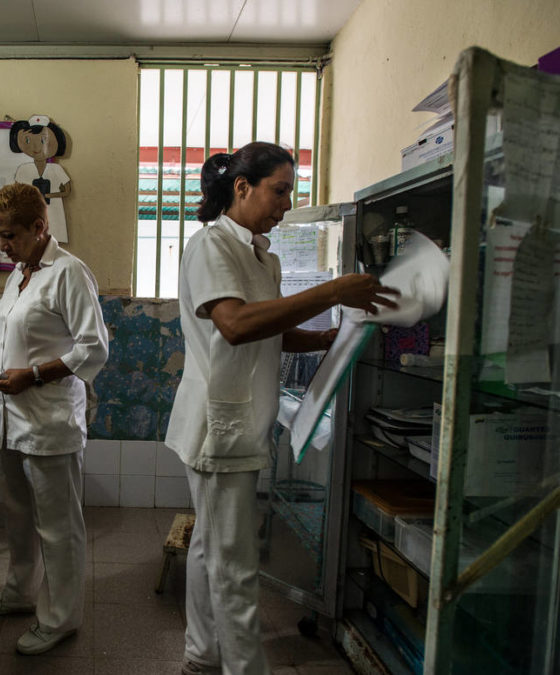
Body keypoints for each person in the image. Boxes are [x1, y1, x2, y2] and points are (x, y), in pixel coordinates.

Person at [164, 142, 399, 675]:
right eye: (280, 190)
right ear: (241, 187)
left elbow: (265, 331)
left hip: (237, 422)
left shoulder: (260, 255)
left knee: (209, 548)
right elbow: (236, 323)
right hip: (219, 426)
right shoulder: (210, 245)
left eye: (290, 191)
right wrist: (334, 290)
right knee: (236, 568)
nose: (286, 204)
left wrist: (325, 340)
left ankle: (201, 655)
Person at [0, 183, 108, 655]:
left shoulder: (69, 273)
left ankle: (60, 618)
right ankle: (21, 592)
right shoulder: (17, 275)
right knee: (18, 515)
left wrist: (36, 375)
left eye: (10, 235)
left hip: (49, 419)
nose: (2, 245)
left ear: (40, 227)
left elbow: (94, 347)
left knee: (58, 525)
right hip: (9, 418)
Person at [10, 114, 72, 242]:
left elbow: (66, 191)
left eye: (44, 141)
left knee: (51, 247)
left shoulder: (56, 169)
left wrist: (49, 195)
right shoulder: (24, 169)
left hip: (53, 214)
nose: (36, 148)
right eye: (28, 141)